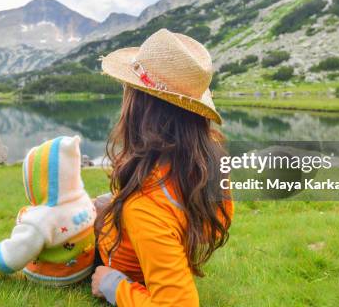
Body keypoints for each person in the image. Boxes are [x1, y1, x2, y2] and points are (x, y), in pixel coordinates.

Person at [91, 28, 234, 306]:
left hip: (120, 265)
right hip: (145, 240)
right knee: (95, 206)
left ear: (140, 107)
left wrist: (112, 285)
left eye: (129, 88)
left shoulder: (145, 206)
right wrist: (112, 204)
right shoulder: (208, 160)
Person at [0, 135, 97, 286]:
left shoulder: (41, 221)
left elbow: (12, 256)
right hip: (81, 271)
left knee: (29, 239)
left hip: (52, 278)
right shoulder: (83, 199)